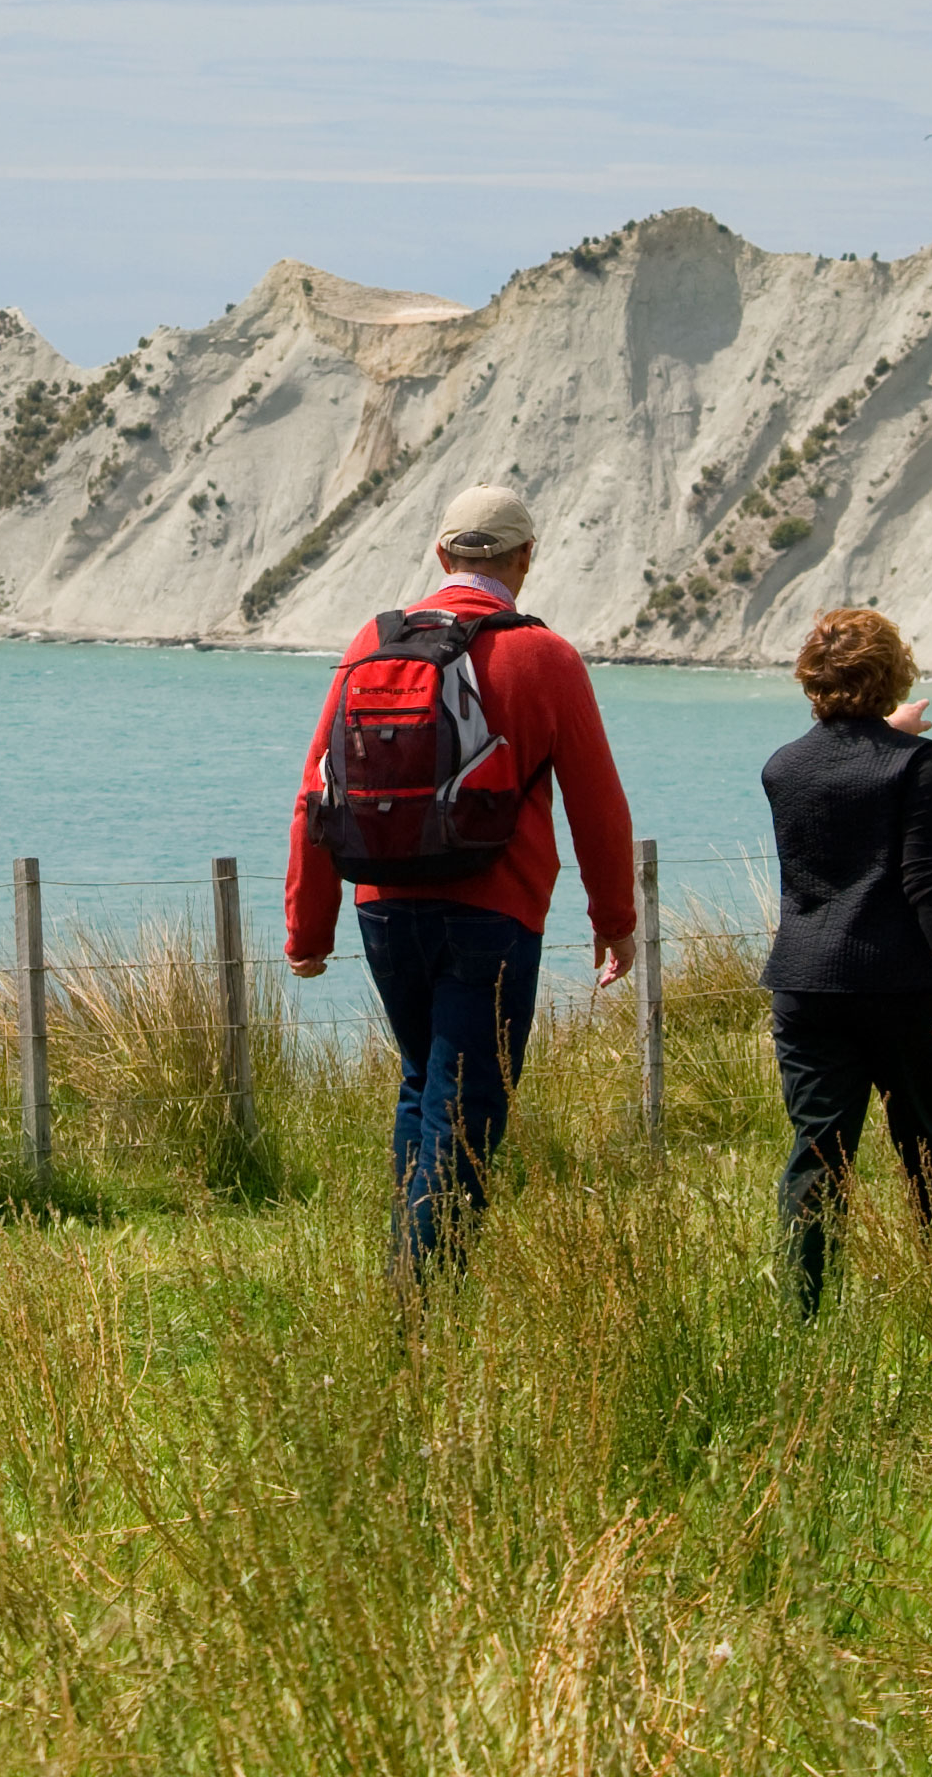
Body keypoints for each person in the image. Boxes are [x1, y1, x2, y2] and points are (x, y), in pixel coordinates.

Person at [283, 482, 637, 1272]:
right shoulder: (543, 656)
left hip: (383, 911)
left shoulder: (368, 647)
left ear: (442, 555)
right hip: (494, 913)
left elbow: (316, 792)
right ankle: (423, 1305)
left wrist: (309, 930)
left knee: (423, 1084)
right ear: (525, 560)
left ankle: (407, 1277)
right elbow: (597, 802)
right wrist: (615, 921)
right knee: (469, 1110)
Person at [759, 607, 932, 1313]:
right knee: (929, 1145)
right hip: (900, 983)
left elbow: (843, 768)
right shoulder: (918, 763)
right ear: (892, 676)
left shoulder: (781, 768)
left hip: (805, 982)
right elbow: (925, 873)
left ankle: (804, 1309)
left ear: (812, 680)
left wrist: (889, 734)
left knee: (818, 1155)